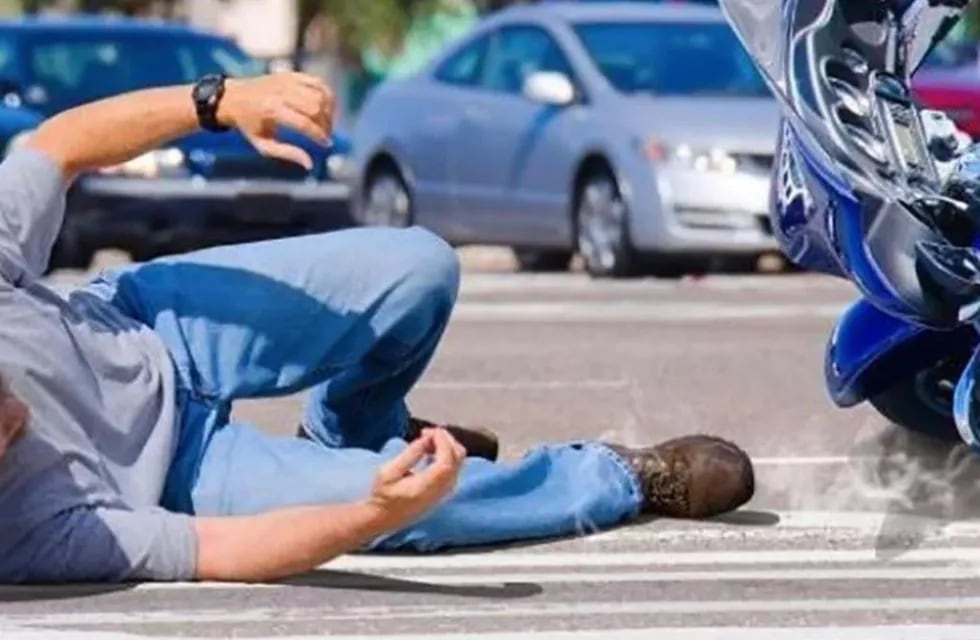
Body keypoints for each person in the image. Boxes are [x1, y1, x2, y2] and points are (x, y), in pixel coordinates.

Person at [0, 71, 755, 584]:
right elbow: (214, 550)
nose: (10, 422)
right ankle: (621, 476)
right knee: (435, 500)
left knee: (421, 267)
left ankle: (352, 426)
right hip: (180, 476)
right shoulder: (27, 537)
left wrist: (223, 99)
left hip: (153, 325)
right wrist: (370, 514)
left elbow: (53, 147)